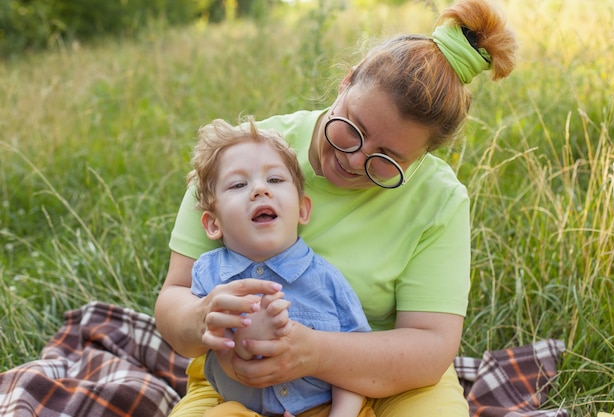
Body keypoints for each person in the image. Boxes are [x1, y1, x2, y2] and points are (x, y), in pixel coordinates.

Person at [155, 0, 518, 416]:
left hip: (386, 382)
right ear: (346, 83)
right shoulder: (243, 161)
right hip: (240, 381)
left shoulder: (439, 198)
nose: (354, 158)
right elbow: (174, 299)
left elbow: (430, 346)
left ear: (420, 159)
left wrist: (311, 353)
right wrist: (202, 317)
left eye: (387, 158)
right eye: (352, 128)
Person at [187, 117, 372, 417]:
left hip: (321, 408)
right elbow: (215, 353)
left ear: (302, 209)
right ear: (213, 223)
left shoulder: (326, 280)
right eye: (238, 184)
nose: (260, 190)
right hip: (240, 408)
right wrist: (245, 340)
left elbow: (357, 361)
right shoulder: (209, 275)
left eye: (274, 180)